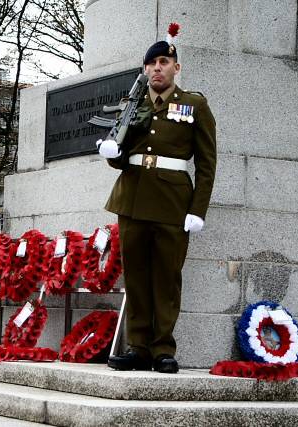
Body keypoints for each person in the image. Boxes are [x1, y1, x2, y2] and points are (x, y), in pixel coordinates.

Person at [104, 27, 216, 374]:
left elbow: (207, 164)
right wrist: (112, 155)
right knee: (135, 277)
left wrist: (197, 210)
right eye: (151, 63)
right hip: (133, 201)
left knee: (167, 279)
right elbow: (121, 152)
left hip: (172, 205)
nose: (156, 68)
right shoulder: (132, 105)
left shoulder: (194, 105)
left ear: (176, 68)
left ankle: (163, 349)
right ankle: (138, 347)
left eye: (163, 61)